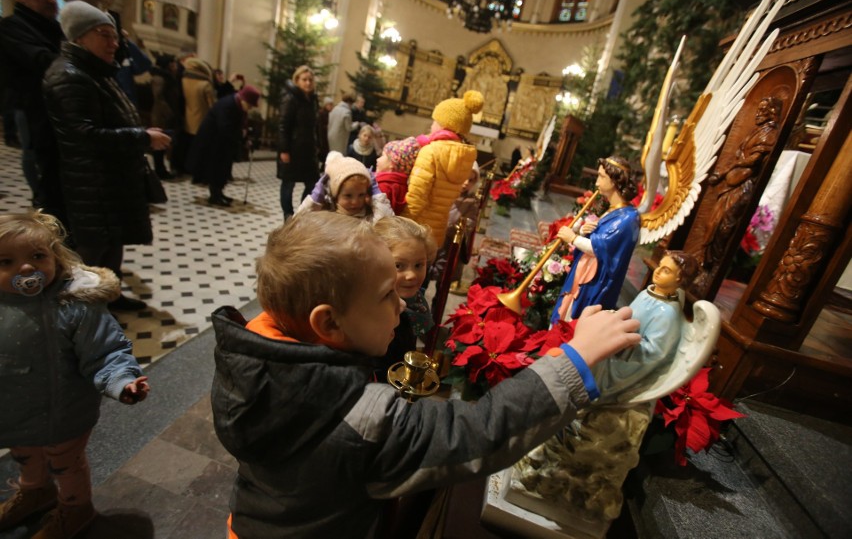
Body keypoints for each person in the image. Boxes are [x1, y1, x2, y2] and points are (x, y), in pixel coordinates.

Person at [210, 211, 640, 538]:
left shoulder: (255, 354)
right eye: (385, 295)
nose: (400, 305)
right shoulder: (360, 418)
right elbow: (480, 432)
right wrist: (575, 358)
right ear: (329, 324)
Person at [0, 211, 150, 539]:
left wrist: (122, 381)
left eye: (37, 257)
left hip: (64, 413)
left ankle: (75, 507)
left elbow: (106, 351)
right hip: (13, 413)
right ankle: (35, 492)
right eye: (6, 262)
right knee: (25, 454)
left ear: (56, 256)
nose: (25, 269)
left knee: (65, 463)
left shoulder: (74, 304)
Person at [42, 0, 171, 312]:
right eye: (105, 35)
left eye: (115, 36)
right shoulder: (69, 76)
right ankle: (81, 312)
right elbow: (84, 135)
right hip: (90, 182)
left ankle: (110, 296)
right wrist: (142, 137)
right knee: (93, 251)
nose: (114, 43)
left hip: (109, 180)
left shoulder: (95, 71)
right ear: (80, 37)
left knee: (114, 243)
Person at [0, 0, 66, 225]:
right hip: (32, 109)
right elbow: (42, 61)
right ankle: (47, 238)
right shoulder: (11, 27)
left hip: (56, 111)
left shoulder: (55, 28)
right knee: (44, 173)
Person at [593, 250, 699, 403]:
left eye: (666, 271)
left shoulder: (667, 313)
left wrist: (622, 346)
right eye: (660, 266)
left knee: (597, 362)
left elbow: (656, 351)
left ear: (679, 279)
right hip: (620, 345)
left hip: (629, 363)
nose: (658, 271)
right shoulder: (646, 294)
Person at [551, 156, 640, 323]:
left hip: (594, 281)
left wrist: (573, 238)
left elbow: (602, 248)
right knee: (566, 310)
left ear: (614, 180)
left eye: (601, 177)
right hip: (584, 271)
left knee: (575, 316)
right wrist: (585, 231)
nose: (597, 183)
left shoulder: (627, 218)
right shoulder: (614, 210)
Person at [701, 96, 782, 273]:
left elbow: (755, 159)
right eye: (759, 109)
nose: (758, 113)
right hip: (733, 182)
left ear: (771, 113)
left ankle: (711, 267)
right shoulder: (757, 131)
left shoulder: (768, 134)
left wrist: (727, 169)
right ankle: (704, 261)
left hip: (742, 186)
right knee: (712, 224)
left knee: (724, 226)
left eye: (763, 110)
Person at [403, 90, 484, 247]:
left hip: (416, 228)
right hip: (437, 229)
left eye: (434, 121)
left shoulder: (431, 151)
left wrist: (402, 224)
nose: (432, 125)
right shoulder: (464, 156)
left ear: (444, 124)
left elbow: (417, 196)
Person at [374, 216, 438, 372]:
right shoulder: (376, 312)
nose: (411, 275)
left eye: (418, 265)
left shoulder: (415, 303)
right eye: (398, 266)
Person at [188, 86, 261, 206]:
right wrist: (241, 135)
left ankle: (219, 193)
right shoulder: (227, 105)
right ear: (243, 99)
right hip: (212, 141)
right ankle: (215, 196)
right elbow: (225, 127)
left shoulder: (237, 105)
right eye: (249, 105)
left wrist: (244, 138)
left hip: (223, 142)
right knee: (215, 169)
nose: (250, 108)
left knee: (223, 168)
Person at [297, 152, 394, 223]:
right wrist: (312, 203)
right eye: (348, 195)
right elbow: (295, 227)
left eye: (361, 195)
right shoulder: (325, 215)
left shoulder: (368, 218)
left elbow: (387, 227)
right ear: (335, 195)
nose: (355, 202)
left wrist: (377, 196)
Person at [277, 65, 320, 219]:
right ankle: (288, 214)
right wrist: (284, 150)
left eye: (310, 80)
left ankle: (301, 212)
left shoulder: (313, 99)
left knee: (312, 183)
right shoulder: (290, 98)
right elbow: (283, 126)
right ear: (297, 80)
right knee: (288, 184)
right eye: (304, 80)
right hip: (292, 148)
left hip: (307, 150)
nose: (308, 83)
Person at [179, 57, 215, 178]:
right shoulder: (205, 84)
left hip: (188, 117)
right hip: (202, 120)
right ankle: (198, 171)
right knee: (200, 149)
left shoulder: (183, 80)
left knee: (188, 146)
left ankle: (185, 168)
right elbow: (212, 105)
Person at [149, 54, 181, 178]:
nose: (176, 66)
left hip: (166, 114)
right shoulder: (159, 78)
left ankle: (161, 169)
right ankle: (159, 170)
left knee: (164, 144)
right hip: (161, 116)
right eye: (173, 63)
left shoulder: (168, 77)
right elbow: (159, 98)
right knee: (159, 145)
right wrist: (169, 113)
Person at [375, 137, 420, 215]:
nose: (377, 159)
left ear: (392, 163)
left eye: (382, 156)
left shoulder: (383, 186)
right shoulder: (402, 186)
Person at [317, 95, 334, 160]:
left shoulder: (330, 113)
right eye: (329, 105)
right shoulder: (321, 113)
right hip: (322, 137)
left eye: (332, 105)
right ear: (326, 105)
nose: (331, 106)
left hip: (327, 137)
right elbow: (320, 126)